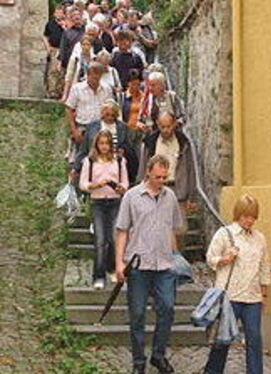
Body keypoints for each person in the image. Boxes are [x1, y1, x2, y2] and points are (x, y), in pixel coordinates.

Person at [115, 154, 183, 374]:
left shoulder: (170, 197)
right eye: (157, 177)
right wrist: (118, 263)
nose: (161, 181)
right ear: (148, 172)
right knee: (137, 314)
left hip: (164, 265)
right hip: (138, 265)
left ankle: (158, 354)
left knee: (168, 308)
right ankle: (138, 361)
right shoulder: (132, 197)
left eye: (164, 177)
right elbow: (122, 231)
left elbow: (172, 228)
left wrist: (177, 258)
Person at [204, 194, 271, 374]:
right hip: (229, 297)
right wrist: (226, 258)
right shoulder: (225, 234)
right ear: (238, 214)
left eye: (253, 217)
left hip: (252, 298)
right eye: (246, 216)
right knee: (222, 340)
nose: (250, 220)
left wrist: (264, 294)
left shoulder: (259, 238)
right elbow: (210, 259)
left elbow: (264, 266)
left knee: (254, 340)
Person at [79, 130, 128, 289]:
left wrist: (120, 188)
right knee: (100, 240)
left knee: (114, 237)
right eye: (101, 143)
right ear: (97, 144)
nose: (104, 147)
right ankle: (98, 275)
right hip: (98, 202)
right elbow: (83, 184)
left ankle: (113, 268)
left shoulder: (119, 161)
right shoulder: (90, 161)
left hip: (114, 201)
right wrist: (96, 185)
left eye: (107, 143)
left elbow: (126, 183)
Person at [64, 62, 113, 164]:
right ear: (88, 75)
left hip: (100, 128)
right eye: (94, 76)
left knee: (99, 159)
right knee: (80, 159)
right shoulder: (77, 89)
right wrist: (74, 131)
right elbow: (69, 109)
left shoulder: (107, 89)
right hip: (83, 127)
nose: (96, 79)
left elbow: (110, 108)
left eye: (99, 76)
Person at [62, 35, 95, 102]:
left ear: (91, 46)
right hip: (77, 85)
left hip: (88, 87)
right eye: (84, 44)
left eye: (88, 45)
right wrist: (65, 95)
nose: (86, 47)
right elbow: (69, 76)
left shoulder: (94, 59)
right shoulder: (75, 58)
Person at [43, 5, 66, 99]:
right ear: (54, 13)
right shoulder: (50, 24)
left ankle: (59, 92)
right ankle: (51, 92)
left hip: (63, 50)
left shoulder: (66, 23)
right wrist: (47, 47)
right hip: (54, 49)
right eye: (57, 12)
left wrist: (64, 26)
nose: (59, 14)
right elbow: (45, 36)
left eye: (61, 12)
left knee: (61, 71)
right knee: (52, 71)